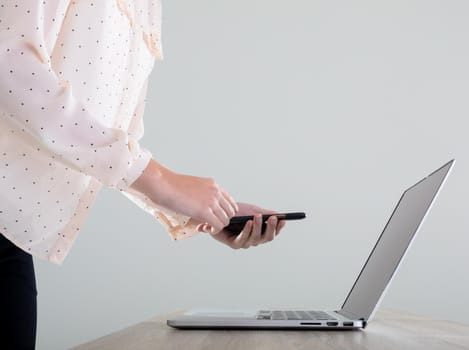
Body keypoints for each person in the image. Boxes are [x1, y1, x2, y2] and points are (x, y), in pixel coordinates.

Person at [0, 1, 285, 348]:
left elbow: (114, 145)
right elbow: (9, 64)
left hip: (10, 237)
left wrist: (204, 212)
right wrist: (163, 181)